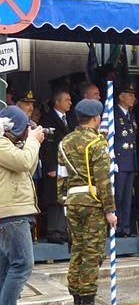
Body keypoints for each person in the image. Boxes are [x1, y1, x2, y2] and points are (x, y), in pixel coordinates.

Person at [57, 99, 117, 305]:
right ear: (96, 119)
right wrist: (110, 210)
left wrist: (63, 199)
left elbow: (61, 176)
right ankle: (88, 304)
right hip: (92, 202)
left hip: (72, 201)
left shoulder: (65, 142)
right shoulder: (97, 143)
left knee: (78, 252)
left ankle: (78, 303)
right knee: (92, 253)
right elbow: (104, 180)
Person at [0, 107, 44, 305]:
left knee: (6, 266)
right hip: (11, 213)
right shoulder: (1, 144)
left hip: (13, 212)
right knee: (23, 263)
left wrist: (29, 142)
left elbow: (30, 167)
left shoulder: (11, 145)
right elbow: (25, 163)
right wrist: (33, 142)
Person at [40, 89, 75, 243]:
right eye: (66, 100)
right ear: (57, 102)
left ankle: (62, 230)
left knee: (65, 198)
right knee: (54, 199)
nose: (70, 102)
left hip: (67, 166)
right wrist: (50, 167)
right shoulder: (47, 119)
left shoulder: (70, 119)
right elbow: (46, 146)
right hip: (55, 166)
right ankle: (53, 231)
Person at [113, 82, 138, 237]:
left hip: (130, 161)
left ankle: (125, 227)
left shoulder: (131, 115)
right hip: (119, 161)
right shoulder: (114, 114)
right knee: (118, 196)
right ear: (121, 97)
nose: (133, 98)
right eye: (130, 95)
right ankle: (116, 227)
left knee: (128, 197)